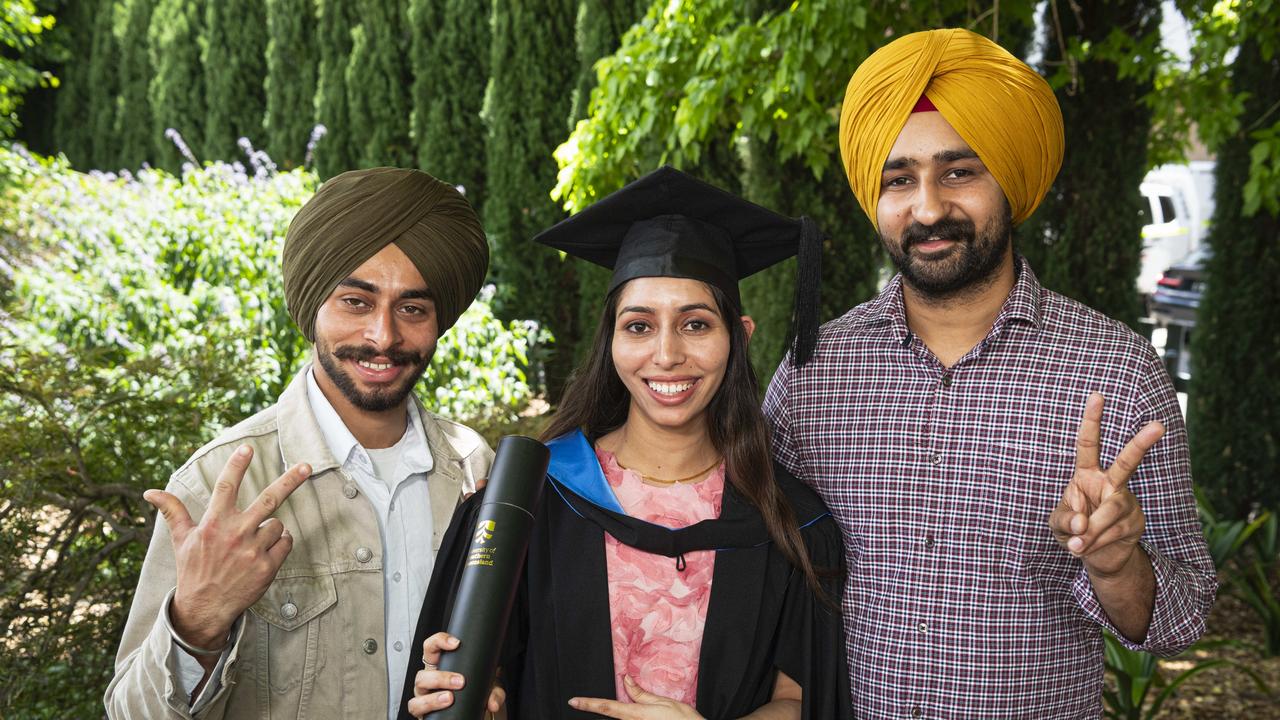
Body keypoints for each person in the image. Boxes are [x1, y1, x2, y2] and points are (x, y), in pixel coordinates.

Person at [762, 28, 1217, 718]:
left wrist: (1117, 560)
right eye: (899, 179)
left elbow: (1178, 619)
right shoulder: (813, 371)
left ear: (1010, 179)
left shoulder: (1115, 371)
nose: (928, 208)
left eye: (959, 171)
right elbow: (753, 567)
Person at [401, 166, 851, 719]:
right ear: (610, 339)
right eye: (639, 326)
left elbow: (799, 702)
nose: (666, 355)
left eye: (696, 324)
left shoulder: (789, 522)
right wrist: (473, 701)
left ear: (740, 336)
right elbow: (480, 678)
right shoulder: (533, 504)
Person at [105, 168, 495, 720]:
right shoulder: (223, 483)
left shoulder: (476, 471)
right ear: (311, 306)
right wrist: (195, 622)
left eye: (412, 309)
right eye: (356, 302)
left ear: (439, 320)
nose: (383, 337)